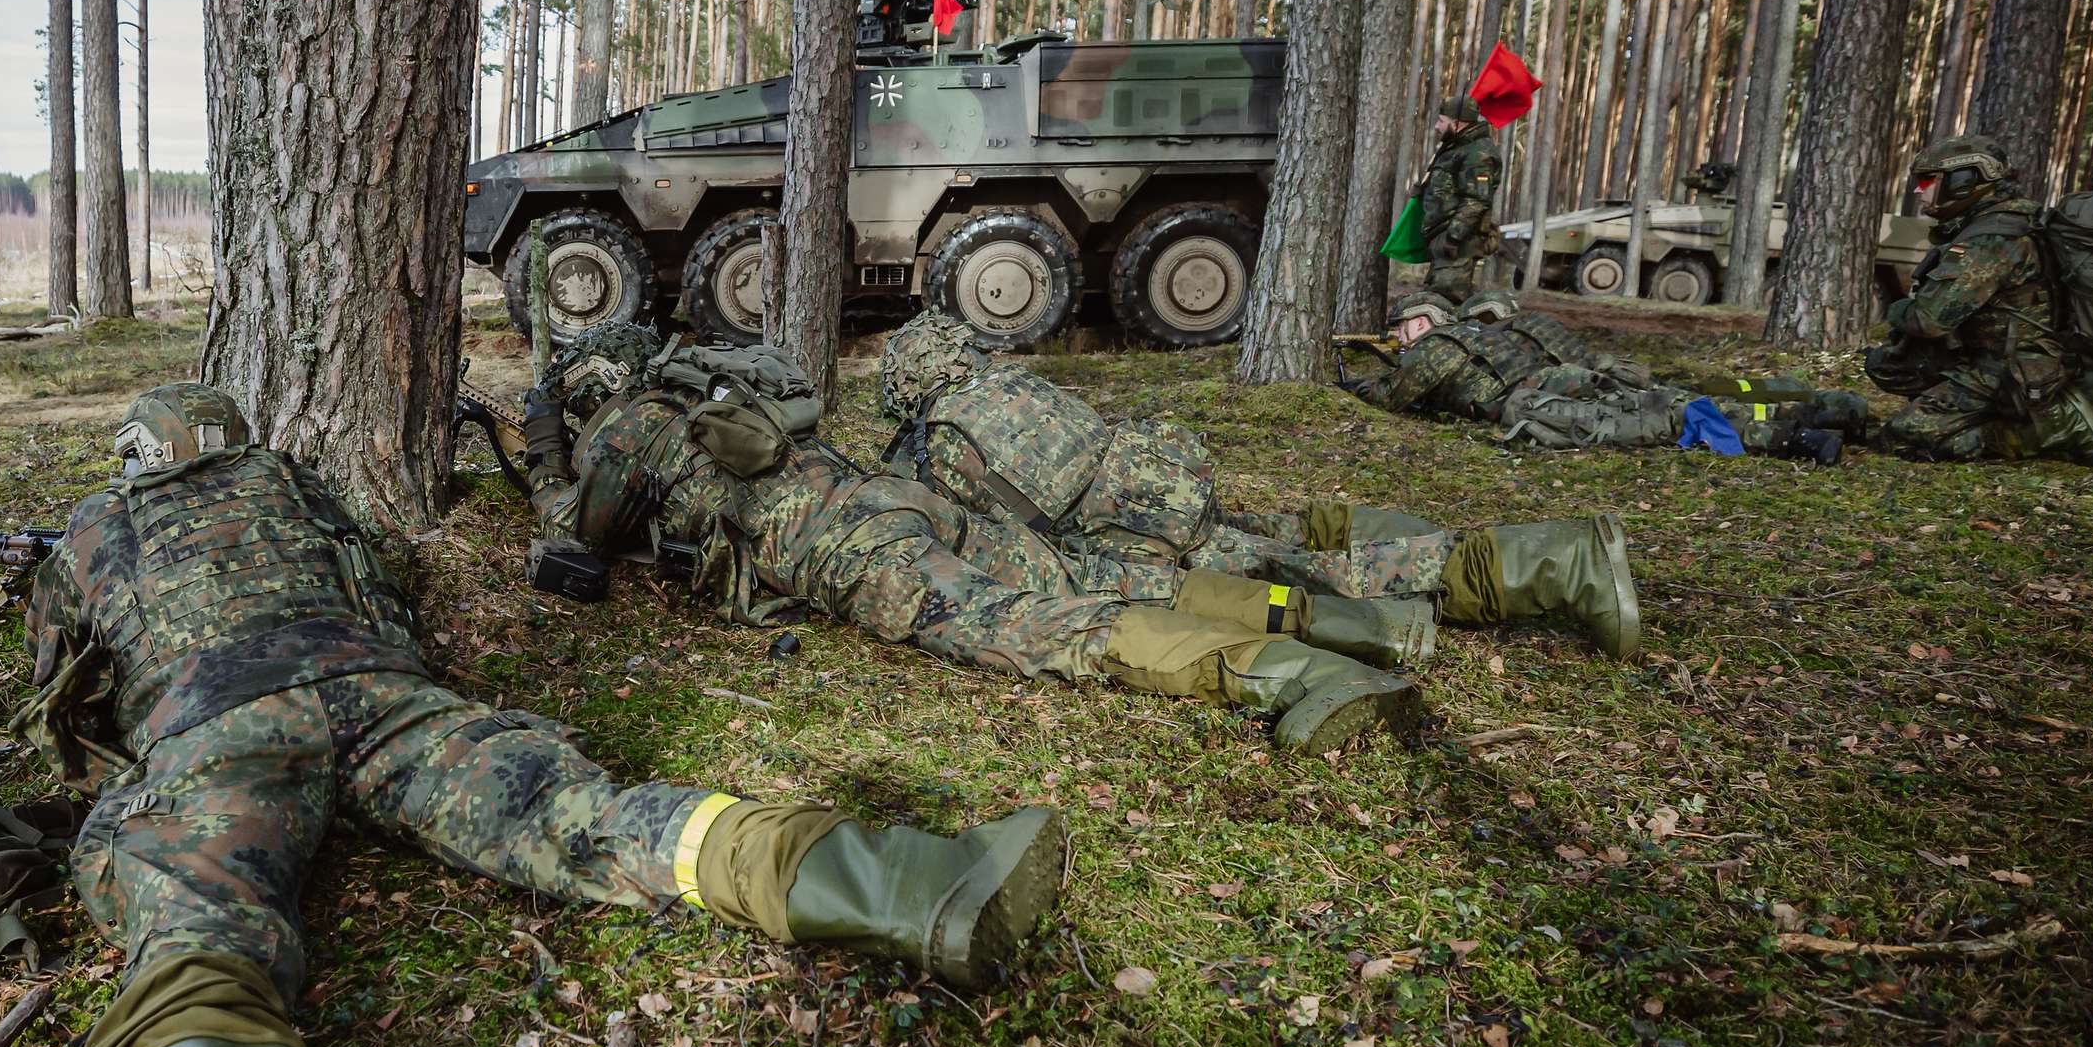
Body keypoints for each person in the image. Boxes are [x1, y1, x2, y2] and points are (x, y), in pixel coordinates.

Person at [0, 385, 1069, 1047]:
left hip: (219, 729)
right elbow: (380, 589)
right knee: (578, 814)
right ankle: (906, 882)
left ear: (139, 455)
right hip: (386, 696)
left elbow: (63, 688)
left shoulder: (91, 527)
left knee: (197, 906)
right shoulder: (296, 487)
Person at [521, 339, 1426, 753]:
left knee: (1032, 625)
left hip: (853, 549)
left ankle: (1294, 673)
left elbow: (575, 535)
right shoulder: (710, 388)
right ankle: (1358, 621)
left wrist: (543, 461)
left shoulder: (629, 428)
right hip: (894, 498)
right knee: (1094, 573)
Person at [876, 311, 1647, 659]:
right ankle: (1497, 557)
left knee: (1310, 574)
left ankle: (1556, 564)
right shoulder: (1007, 382)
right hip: (1165, 488)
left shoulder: (934, 445)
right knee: (1286, 541)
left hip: (1134, 538)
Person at [1343, 294, 1871, 464]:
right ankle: (1815, 409)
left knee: (1658, 421)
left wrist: (1354, 385)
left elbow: (1392, 399)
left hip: (1535, 402)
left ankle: (1790, 435)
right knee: (1670, 401)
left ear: (1419, 321)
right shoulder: (1492, 337)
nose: (1400, 340)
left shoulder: (1439, 346)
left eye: (1401, 330)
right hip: (1560, 381)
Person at [1865, 134, 2093, 463]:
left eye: (1926, 181)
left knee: (1904, 437)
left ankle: (2056, 427)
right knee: (1889, 365)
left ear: (1964, 182)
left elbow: (1929, 320)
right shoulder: (2005, 220)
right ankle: (1980, 412)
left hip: (2014, 366)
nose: (1917, 190)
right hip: (2000, 355)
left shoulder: (1993, 237)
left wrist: (1896, 309)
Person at [1421, 96, 1505, 299]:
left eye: (1441, 121)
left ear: (1457, 124)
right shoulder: (1457, 147)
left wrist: (1454, 236)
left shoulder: (1478, 154)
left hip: (1459, 243)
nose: (1436, 126)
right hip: (1445, 237)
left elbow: (1476, 200)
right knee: (1439, 297)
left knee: (1447, 300)